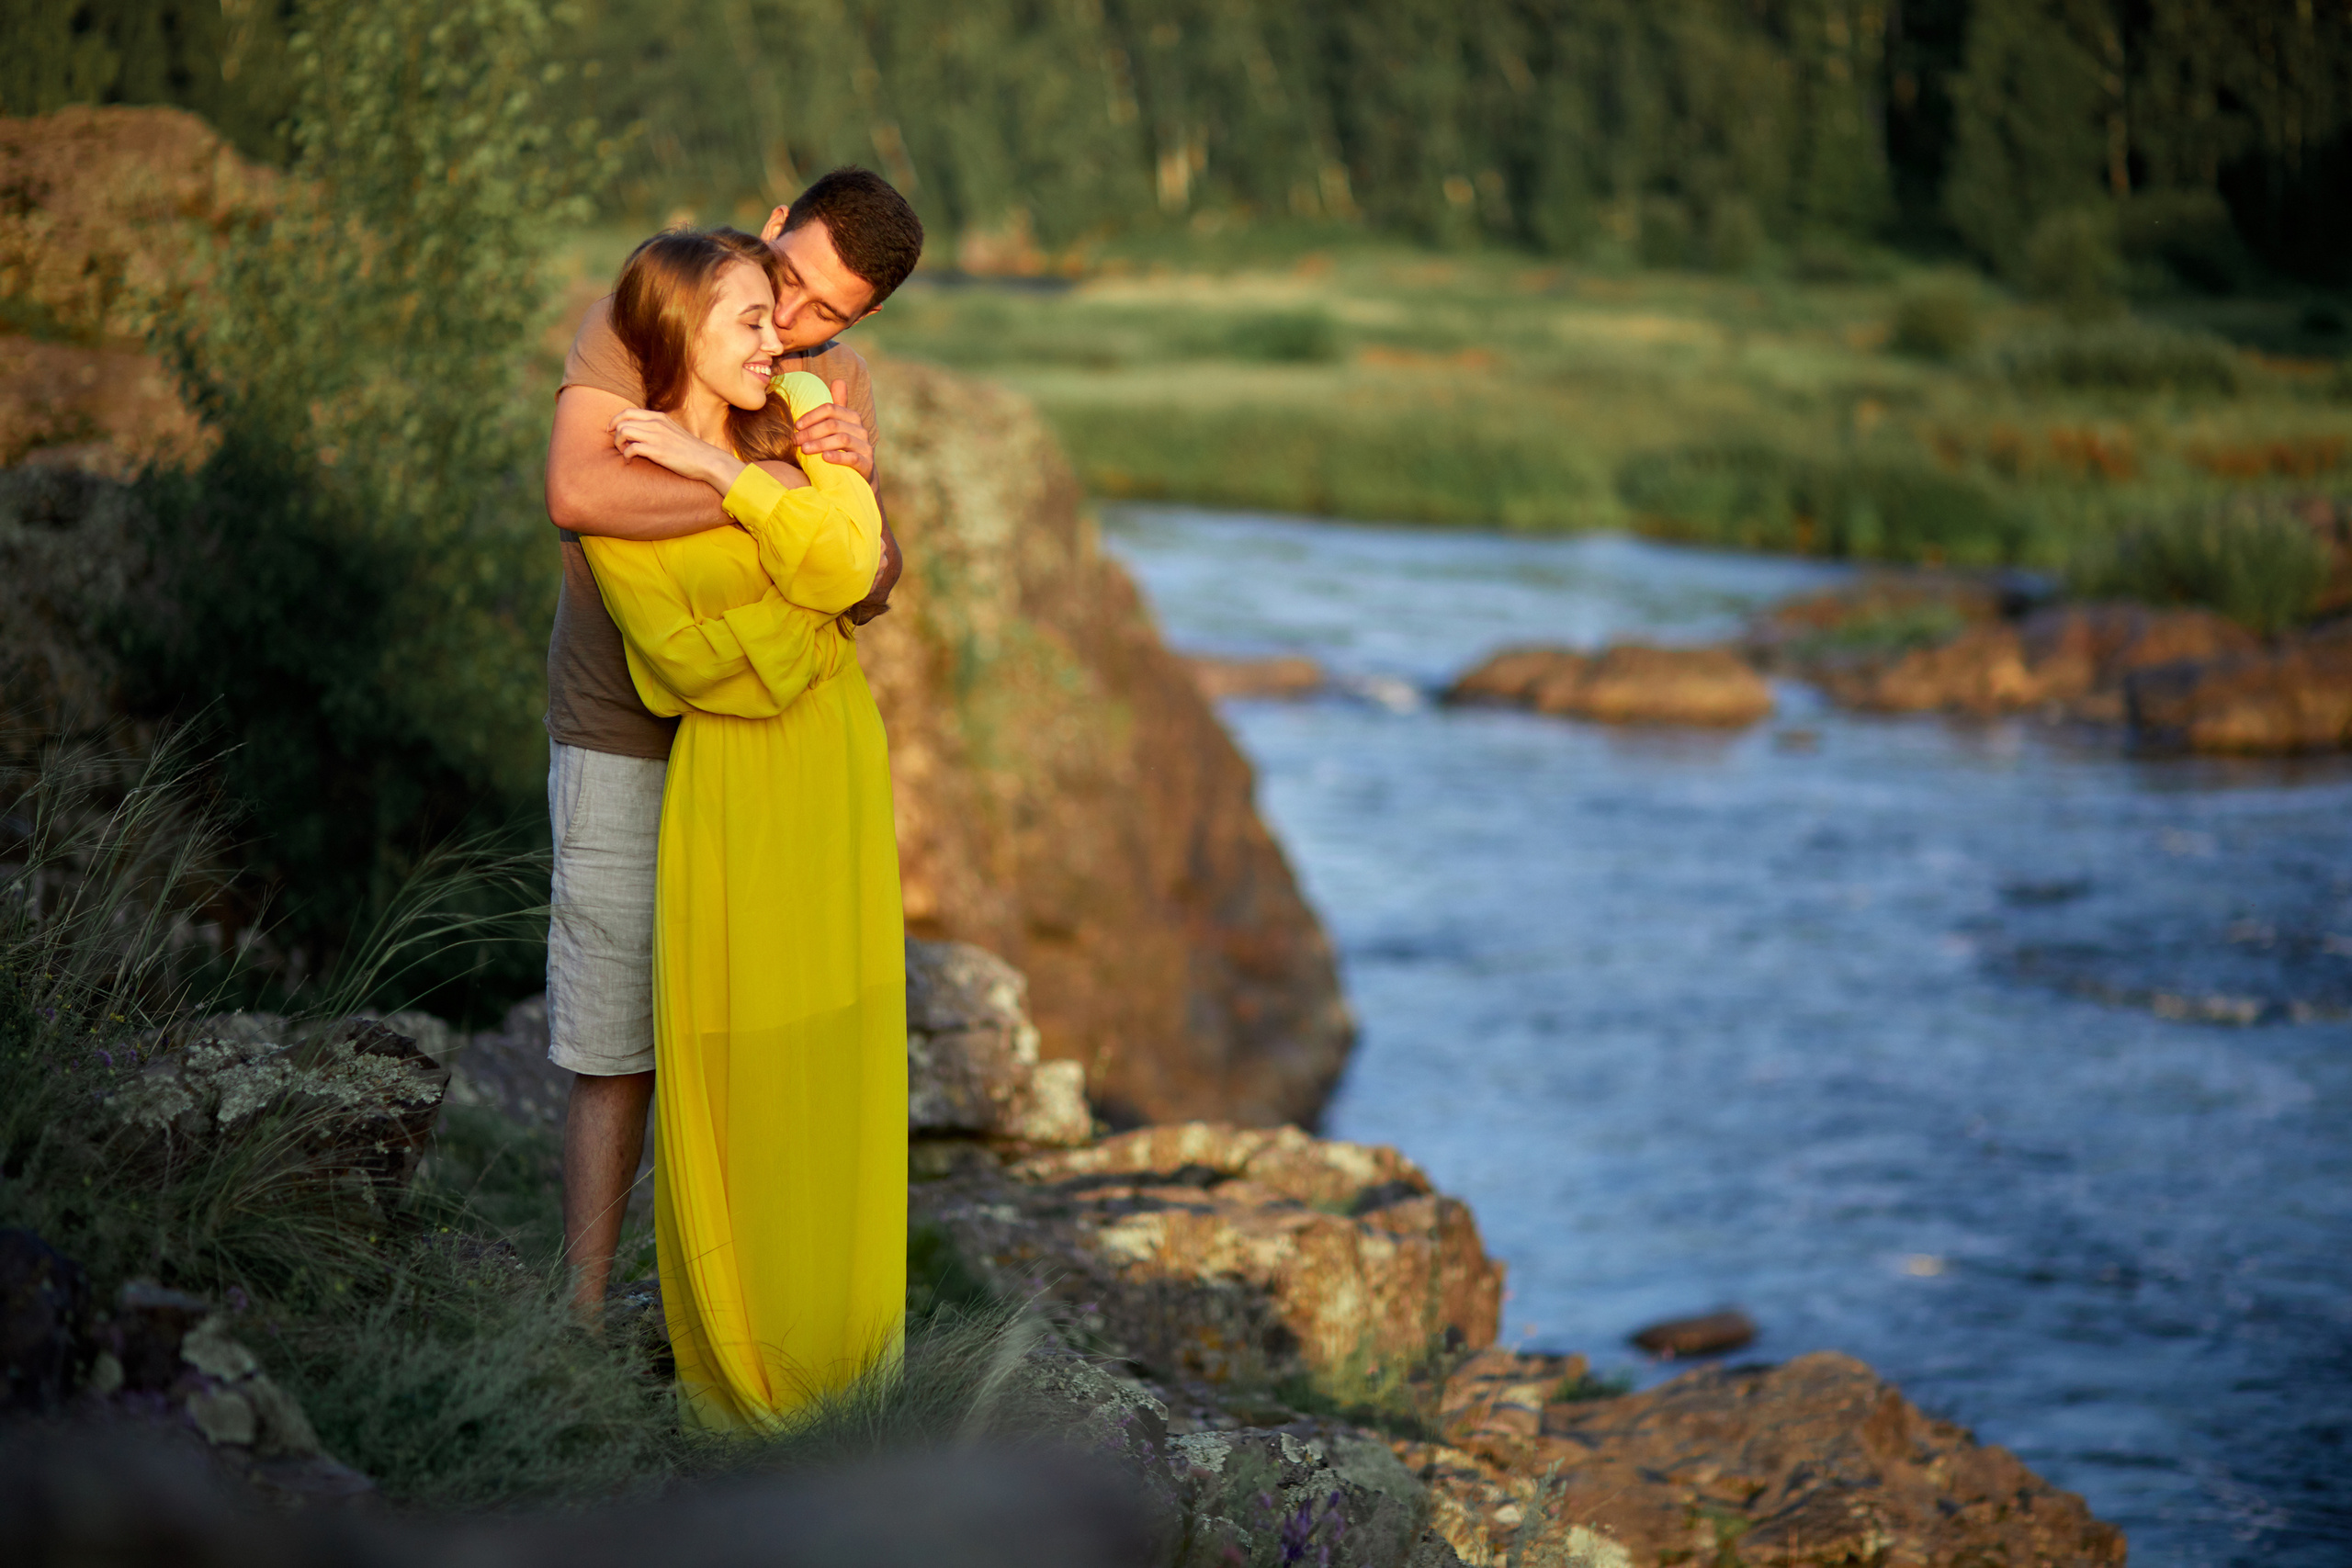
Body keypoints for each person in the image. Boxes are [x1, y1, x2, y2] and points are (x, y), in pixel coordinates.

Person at [540, 168, 922, 1334]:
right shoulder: (641, 316)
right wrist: (774, 492)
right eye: (786, 288)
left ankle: (739, 1309)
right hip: (623, 724)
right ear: (769, 231)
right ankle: (585, 1316)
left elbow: (875, 574)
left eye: (824, 316)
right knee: (615, 1038)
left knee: (759, 1042)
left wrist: (819, 484)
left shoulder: (824, 380)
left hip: (769, 759)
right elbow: (578, 490)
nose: (792, 329)